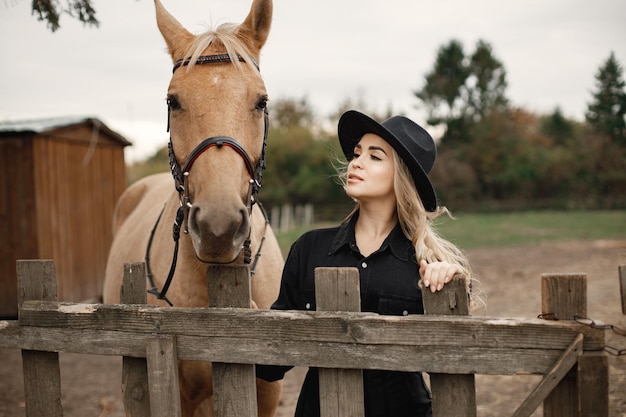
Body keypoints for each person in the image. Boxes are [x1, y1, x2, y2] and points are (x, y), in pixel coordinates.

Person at [256, 110, 472, 417]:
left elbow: (459, 356)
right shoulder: (309, 249)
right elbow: (271, 363)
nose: (356, 162)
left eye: (375, 156)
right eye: (357, 153)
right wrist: (251, 326)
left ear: (402, 175)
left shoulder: (428, 263)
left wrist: (453, 284)